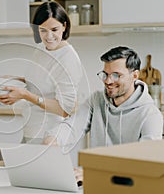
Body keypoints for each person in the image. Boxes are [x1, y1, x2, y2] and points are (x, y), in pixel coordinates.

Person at [43, 46, 163, 183]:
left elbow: (146, 162)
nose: (108, 81)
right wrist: (53, 139)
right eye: (105, 74)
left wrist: (95, 173)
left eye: (116, 75)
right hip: (96, 183)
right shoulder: (96, 100)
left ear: (135, 75)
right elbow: (71, 127)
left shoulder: (151, 115)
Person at [0, 1, 84, 144]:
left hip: (50, 135)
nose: (49, 37)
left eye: (54, 29)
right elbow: (41, 81)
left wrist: (24, 94)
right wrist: (17, 81)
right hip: (31, 128)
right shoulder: (42, 49)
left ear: (64, 26)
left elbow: (65, 110)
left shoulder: (68, 58)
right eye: (43, 30)